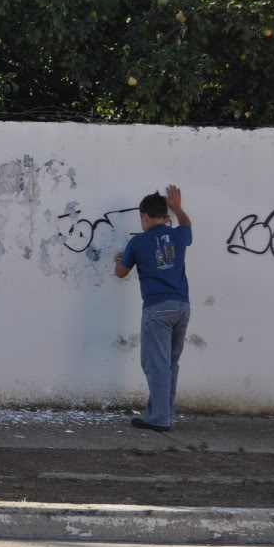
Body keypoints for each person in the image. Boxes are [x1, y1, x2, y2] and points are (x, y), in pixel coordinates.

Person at [114, 185, 192, 432]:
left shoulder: (138, 241)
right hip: (182, 306)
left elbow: (121, 273)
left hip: (157, 309)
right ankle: (165, 412)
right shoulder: (178, 236)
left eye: (142, 218)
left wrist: (118, 259)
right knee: (170, 363)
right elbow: (187, 226)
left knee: (155, 364)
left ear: (144, 216)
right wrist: (178, 207)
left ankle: (158, 418)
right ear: (166, 217)